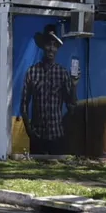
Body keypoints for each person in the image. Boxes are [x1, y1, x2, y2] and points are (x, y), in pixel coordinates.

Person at [20, 25, 77, 156]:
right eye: (48, 44)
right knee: (37, 175)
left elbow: (72, 106)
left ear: (57, 48)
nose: (51, 48)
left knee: (57, 175)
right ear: (42, 46)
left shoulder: (62, 73)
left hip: (57, 136)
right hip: (37, 136)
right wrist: (29, 131)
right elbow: (23, 104)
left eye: (55, 45)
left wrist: (74, 85)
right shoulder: (32, 72)